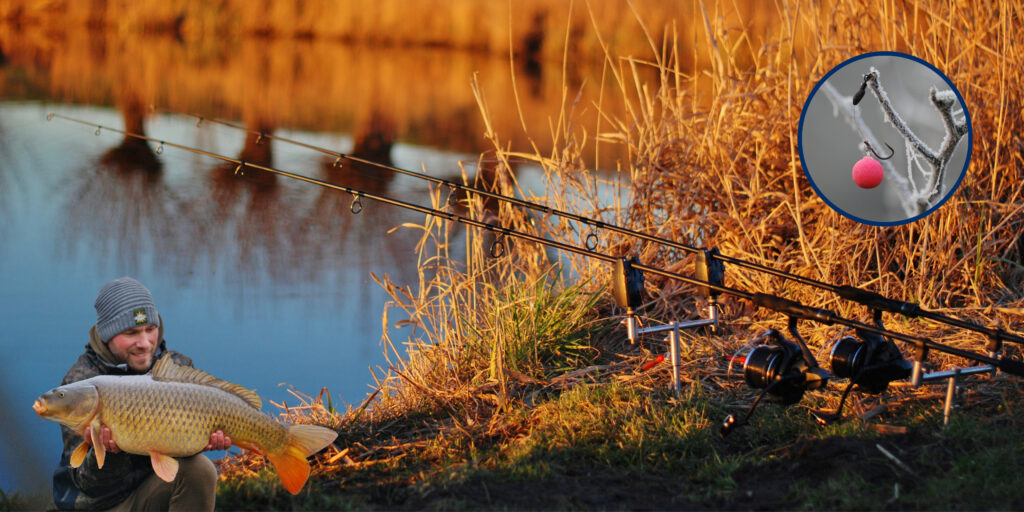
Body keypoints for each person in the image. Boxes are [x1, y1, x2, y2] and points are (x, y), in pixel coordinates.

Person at [51, 277, 229, 511]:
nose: (144, 343)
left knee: (200, 469)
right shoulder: (81, 385)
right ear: (107, 335)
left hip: (151, 490)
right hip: (100, 505)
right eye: (132, 333)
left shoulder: (176, 368)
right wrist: (110, 453)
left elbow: (180, 453)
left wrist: (202, 440)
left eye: (150, 329)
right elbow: (87, 484)